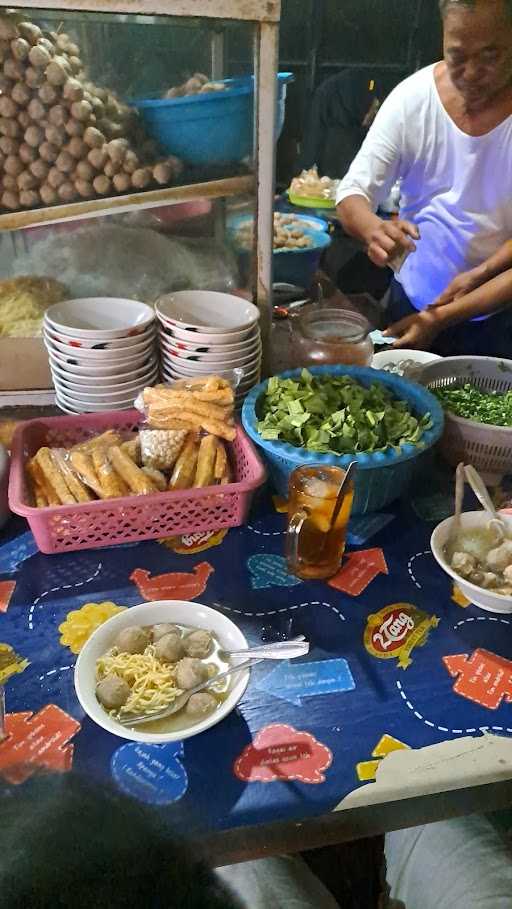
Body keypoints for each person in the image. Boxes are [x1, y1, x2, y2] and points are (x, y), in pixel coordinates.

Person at [336, 0, 512, 356]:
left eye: (490, 56)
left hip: (498, 315)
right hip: (411, 303)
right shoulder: (412, 99)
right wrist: (373, 228)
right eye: (457, 56)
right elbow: (352, 193)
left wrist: (456, 304)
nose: (473, 72)